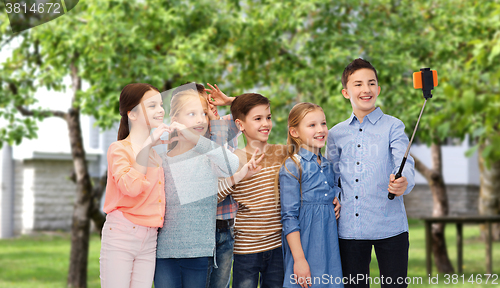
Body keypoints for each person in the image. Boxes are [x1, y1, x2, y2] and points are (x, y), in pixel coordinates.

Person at [327, 58, 415, 288]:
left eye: (371, 83)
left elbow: (405, 162)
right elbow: (333, 176)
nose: (365, 89)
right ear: (346, 92)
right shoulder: (335, 134)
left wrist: (404, 182)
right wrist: (334, 195)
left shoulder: (394, 126)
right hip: (350, 229)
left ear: (378, 88)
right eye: (358, 84)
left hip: (390, 226)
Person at [153, 89, 241, 288]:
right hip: (164, 253)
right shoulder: (161, 158)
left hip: (200, 253)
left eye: (203, 113)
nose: (200, 120)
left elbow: (232, 165)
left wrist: (196, 139)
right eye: (192, 114)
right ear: (175, 119)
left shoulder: (209, 156)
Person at [100, 83, 173, 288]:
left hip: (150, 237)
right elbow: (130, 188)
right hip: (122, 233)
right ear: (132, 114)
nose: (160, 110)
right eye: (152, 106)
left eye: (160, 104)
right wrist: (147, 145)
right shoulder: (119, 149)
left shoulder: (156, 151)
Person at [279, 102, 344, 288]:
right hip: (305, 245)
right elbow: (289, 217)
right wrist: (299, 260)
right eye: (312, 125)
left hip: (329, 244)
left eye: (323, 123)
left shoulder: (327, 165)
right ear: (294, 132)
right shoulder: (293, 166)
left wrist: (336, 197)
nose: (321, 129)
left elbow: (331, 189)